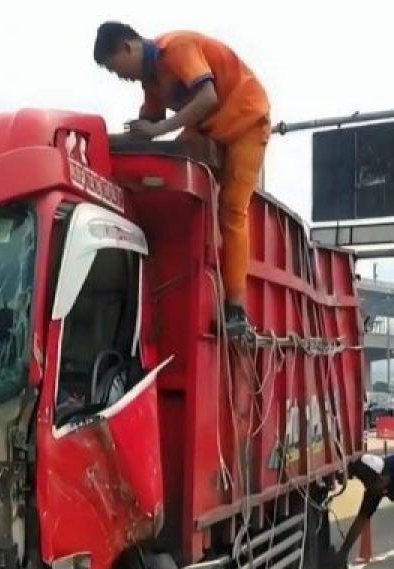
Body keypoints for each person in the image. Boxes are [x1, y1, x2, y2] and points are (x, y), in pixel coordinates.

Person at [93, 22, 270, 337]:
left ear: (128, 47)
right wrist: (100, 139)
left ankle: (236, 310)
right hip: (208, 128)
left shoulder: (176, 48)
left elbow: (207, 97)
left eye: (116, 68)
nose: (119, 77)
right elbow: (145, 133)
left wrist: (158, 131)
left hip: (244, 120)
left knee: (232, 209)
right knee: (178, 179)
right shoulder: (151, 82)